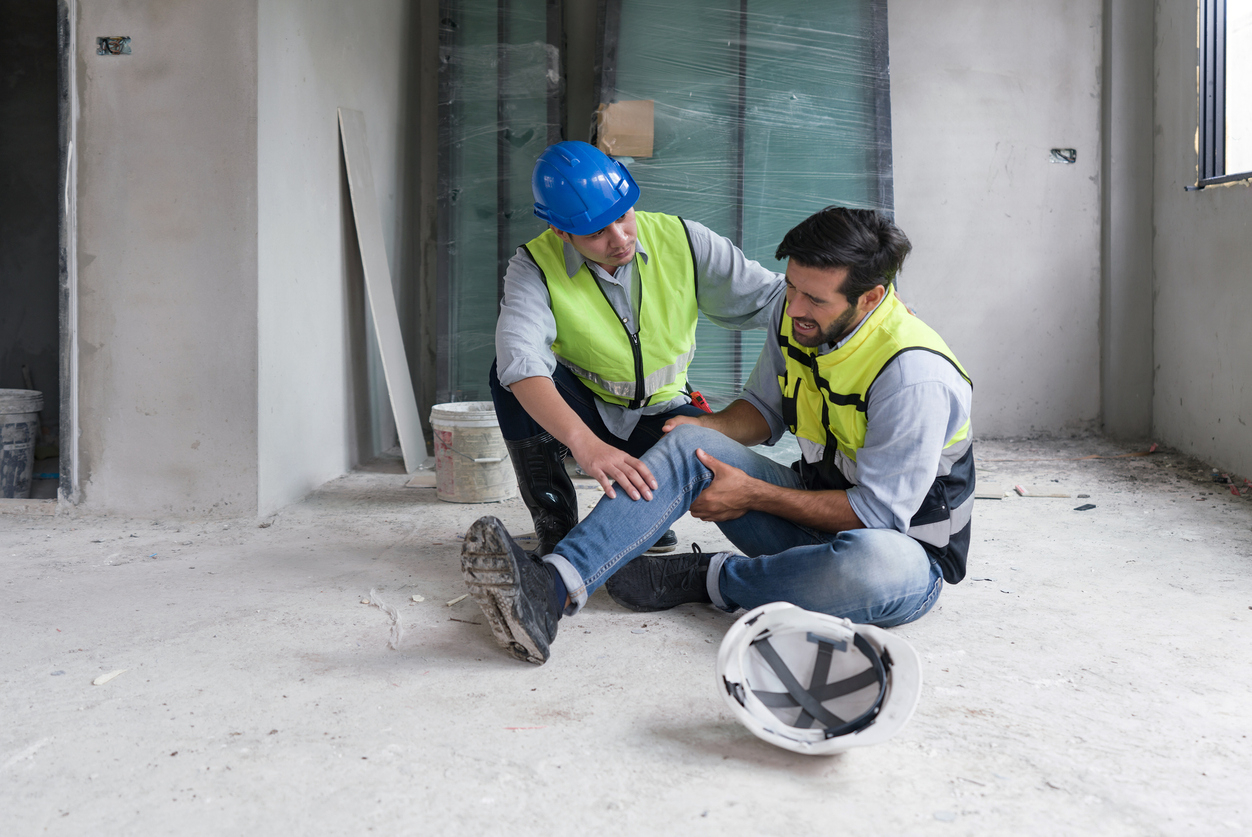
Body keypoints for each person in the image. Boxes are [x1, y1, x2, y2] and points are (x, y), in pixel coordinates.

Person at [464, 206, 974, 665]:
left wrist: (754, 494)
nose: (792, 307)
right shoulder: (799, 320)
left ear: (870, 298)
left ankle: (705, 578)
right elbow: (760, 412)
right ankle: (549, 589)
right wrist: (698, 434)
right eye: (791, 288)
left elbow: (879, 515)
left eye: (813, 299)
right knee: (692, 445)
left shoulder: (914, 376)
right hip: (810, 507)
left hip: (900, 552)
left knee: (878, 569)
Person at [492, 141, 785, 558]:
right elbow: (519, 360)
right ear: (560, 230)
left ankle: (644, 520)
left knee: (711, 459)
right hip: (586, 409)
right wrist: (584, 443)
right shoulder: (534, 266)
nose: (620, 239)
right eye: (596, 232)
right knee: (508, 377)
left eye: (623, 217)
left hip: (665, 412)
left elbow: (776, 298)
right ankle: (555, 524)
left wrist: (859, 305)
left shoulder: (683, 240)